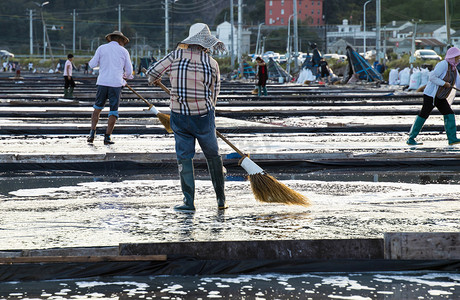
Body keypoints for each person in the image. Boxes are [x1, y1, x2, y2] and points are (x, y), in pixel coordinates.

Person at [146, 23, 227, 211]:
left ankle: (189, 202)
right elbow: (215, 94)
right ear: (205, 44)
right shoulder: (212, 63)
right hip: (204, 116)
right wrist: (208, 113)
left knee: (184, 156)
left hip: (180, 115)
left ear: (190, 41)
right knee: (213, 156)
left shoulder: (175, 55)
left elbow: (151, 73)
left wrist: (155, 80)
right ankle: (221, 200)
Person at [407, 46, 460, 146]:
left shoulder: (454, 69)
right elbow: (432, 77)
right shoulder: (443, 64)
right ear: (452, 57)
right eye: (457, 57)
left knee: (449, 113)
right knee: (424, 114)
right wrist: (444, 83)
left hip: (440, 96)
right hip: (431, 95)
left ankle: (452, 138)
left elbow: (458, 83)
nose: (458, 59)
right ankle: (411, 138)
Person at [87, 31, 133, 145]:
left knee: (97, 108)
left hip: (102, 82)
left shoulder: (101, 48)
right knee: (113, 111)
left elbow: (92, 64)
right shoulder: (123, 51)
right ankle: (107, 137)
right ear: (120, 40)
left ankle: (92, 133)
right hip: (116, 85)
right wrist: (125, 78)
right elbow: (129, 71)